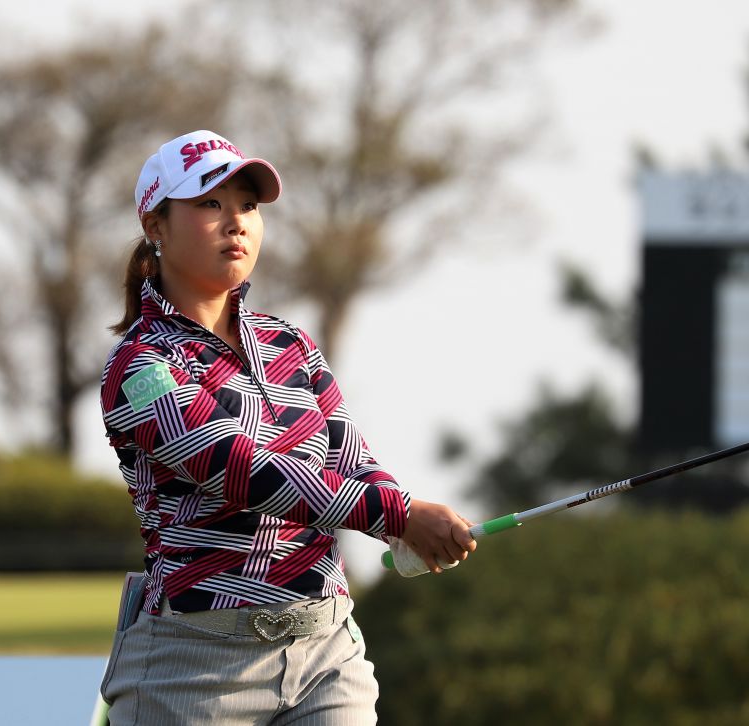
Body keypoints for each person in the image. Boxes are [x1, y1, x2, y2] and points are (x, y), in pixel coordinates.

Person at [98, 129, 476, 725]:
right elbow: (243, 470)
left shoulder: (289, 343)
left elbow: (352, 459)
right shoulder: (142, 368)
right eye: (209, 204)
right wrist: (398, 515)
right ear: (156, 226)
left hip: (325, 656)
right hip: (192, 670)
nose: (236, 222)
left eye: (247, 205)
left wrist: (404, 525)